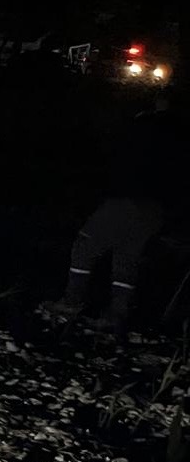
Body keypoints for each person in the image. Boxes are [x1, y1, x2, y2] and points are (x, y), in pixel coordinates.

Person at [49, 86, 188, 334]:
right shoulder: (181, 133)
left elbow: (120, 155)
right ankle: (116, 315)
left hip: (128, 198)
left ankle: (72, 302)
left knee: (85, 245)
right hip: (156, 208)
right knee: (126, 257)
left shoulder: (146, 125)